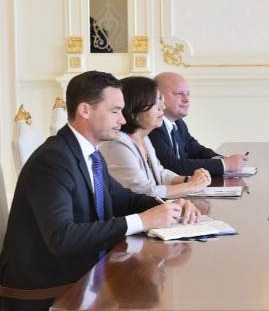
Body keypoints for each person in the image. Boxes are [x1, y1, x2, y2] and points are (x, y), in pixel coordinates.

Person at [0, 71, 200, 295]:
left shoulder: (90, 153)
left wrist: (168, 207)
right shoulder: (53, 160)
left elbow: (122, 198)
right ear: (85, 110)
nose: (122, 120)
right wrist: (142, 221)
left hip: (85, 272)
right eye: (115, 111)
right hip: (50, 287)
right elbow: (62, 237)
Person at [100, 76, 211, 198]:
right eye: (156, 102)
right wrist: (191, 186)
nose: (162, 107)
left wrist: (188, 179)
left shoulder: (144, 138)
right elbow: (143, 192)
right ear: (134, 109)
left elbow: (160, 173)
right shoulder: (117, 144)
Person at [149, 72, 247, 176]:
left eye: (188, 94)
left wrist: (223, 159)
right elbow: (173, 167)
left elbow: (196, 150)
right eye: (178, 93)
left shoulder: (178, 123)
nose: (186, 100)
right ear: (157, 97)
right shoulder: (153, 127)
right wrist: (225, 165)